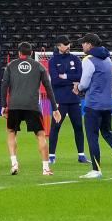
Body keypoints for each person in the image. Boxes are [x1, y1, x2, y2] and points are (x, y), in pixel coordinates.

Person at [74, 36, 112, 178]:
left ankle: (96, 170)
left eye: (83, 43)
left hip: (93, 104)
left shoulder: (88, 60)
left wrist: (78, 87)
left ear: (89, 45)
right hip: (107, 104)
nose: (82, 46)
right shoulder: (108, 59)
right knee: (108, 133)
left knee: (92, 136)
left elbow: (85, 83)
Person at [2, 43, 48, 176]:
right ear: (32, 53)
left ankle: (14, 163)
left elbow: (4, 86)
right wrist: (55, 107)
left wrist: (4, 105)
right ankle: (45, 168)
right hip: (32, 105)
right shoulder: (39, 66)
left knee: (11, 132)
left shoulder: (10, 66)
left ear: (18, 53)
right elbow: (48, 86)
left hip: (15, 104)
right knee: (40, 134)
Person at [45, 38, 87, 169]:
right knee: (55, 127)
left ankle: (81, 155)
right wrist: (71, 80)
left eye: (69, 44)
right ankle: (51, 156)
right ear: (58, 46)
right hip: (60, 100)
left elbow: (80, 76)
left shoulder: (75, 59)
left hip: (74, 100)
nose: (68, 46)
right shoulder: (53, 61)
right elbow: (55, 81)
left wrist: (66, 76)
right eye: (65, 44)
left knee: (79, 127)